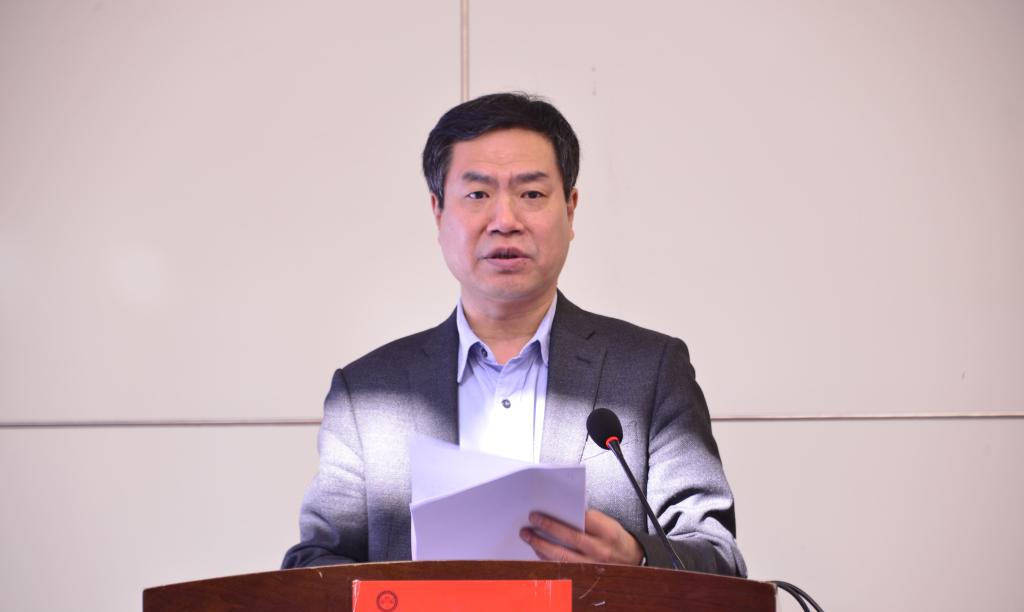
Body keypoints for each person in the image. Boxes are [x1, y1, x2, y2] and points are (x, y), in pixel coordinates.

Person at [282, 93, 746, 575]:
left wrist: (636, 556)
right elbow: (313, 565)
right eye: (478, 195)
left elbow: (720, 560)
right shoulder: (368, 394)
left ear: (570, 209)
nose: (505, 222)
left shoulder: (649, 371)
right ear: (438, 212)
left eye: (532, 194)